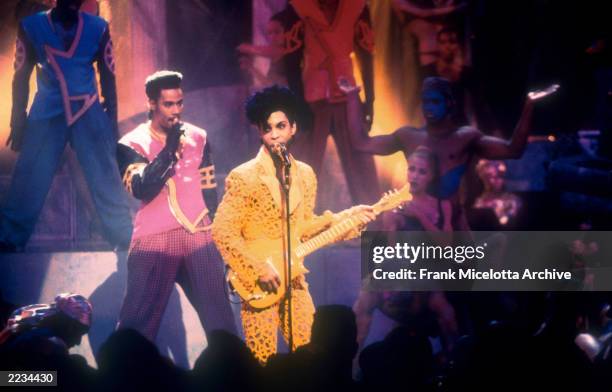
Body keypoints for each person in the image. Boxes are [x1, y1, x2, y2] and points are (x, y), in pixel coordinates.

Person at [212, 85, 375, 363]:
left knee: (310, 353)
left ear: (293, 128)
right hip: (259, 281)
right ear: (260, 131)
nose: (274, 134)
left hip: (294, 278)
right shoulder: (244, 176)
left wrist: (349, 219)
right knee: (262, 361)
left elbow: (304, 227)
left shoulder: (306, 175)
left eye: (280, 126)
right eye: (267, 128)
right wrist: (256, 267)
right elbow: (222, 231)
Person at [0, 0, 132, 251]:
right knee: (29, 176)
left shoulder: (98, 27)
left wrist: (110, 121)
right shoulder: (32, 25)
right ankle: (10, 238)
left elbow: (108, 75)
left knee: (105, 174)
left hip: (88, 110)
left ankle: (123, 235)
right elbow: (21, 76)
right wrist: (18, 121)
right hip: (48, 111)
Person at [343, 76, 559, 229]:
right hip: (417, 221)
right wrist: (352, 98)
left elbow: (513, 150)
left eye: (435, 101)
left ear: (449, 104)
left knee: (464, 287)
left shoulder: (465, 137)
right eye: (425, 101)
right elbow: (361, 144)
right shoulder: (408, 136)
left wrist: (529, 106)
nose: (428, 107)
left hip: (453, 222)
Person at [115, 70, 236, 342]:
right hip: (155, 239)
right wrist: (169, 151)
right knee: (136, 328)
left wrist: (219, 239)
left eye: (179, 103)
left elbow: (209, 190)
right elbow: (140, 188)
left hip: (199, 235)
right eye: (168, 104)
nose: (176, 111)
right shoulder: (130, 143)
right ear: (151, 103)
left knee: (222, 324)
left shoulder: (199, 137)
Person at [353, 147, 458, 353]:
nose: (415, 175)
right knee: (362, 303)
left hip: (427, 269)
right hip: (398, 269)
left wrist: (419, 216)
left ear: (431, 176)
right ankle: (353, 362)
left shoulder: (441, 205)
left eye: (422, 171)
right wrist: (392, 223)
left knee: (447, 314)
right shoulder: (394, 201)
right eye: (412, 169)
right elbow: (390, 250)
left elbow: (447, 245)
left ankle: (452, 364)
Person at [288, 0, 380, 207]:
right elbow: (291, 60)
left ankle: (376, 231)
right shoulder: (299, 6)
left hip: (347, 96)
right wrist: (298, 105)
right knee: (302, 168)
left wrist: (370, 100)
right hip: (311, 99)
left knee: (361, 165)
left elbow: (367, 53)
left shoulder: (356, 6)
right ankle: (293, 231)